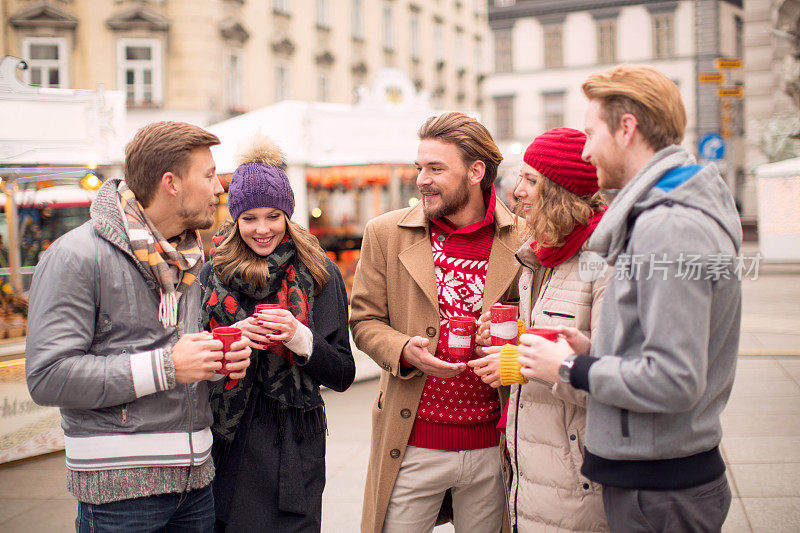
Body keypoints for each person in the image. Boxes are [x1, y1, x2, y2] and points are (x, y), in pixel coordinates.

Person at [517, 64, 741, 532]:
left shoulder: (668, 224)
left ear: (626, 128)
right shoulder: (666, 210)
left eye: (590, 132)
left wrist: (569, 367)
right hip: (660, 476)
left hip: (659, 488)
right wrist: (595, 354)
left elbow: (676, 379)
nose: (585, 149)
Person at [25, 121, 252, 532]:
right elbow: (47, 377)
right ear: (171, 183)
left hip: (197, 480)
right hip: (119, 495)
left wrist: (218, 360)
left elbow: (176, 354)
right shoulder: (74, 256)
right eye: (208, 174)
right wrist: (167, 366)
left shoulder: (189, 258)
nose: (220, 187)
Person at [350, 111, 523, 532]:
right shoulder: (385, 233)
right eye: (418, 167)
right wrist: (402, 350)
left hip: (493, 446)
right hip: (412, 443)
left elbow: (541, 323)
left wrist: (512, 338)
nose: (421, 179)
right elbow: (364, 320)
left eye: (436, 168)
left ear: (476, 172)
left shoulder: (525, 240)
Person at [199, 136, 355, 532]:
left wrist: (299, 337)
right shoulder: (211, 274)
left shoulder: (320, 273)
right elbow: (189, 360)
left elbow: (342, 374)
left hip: (293, 441)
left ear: (288, 214)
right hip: (228, 439)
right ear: (234, 218)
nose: (262, 229)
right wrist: (233, 338)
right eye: (249, 218)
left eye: (273, 215)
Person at [470, 127, 610, 531]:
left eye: (532, 180)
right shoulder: (542, 256)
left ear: (562, 191)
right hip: (535, 470)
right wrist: (513, 336)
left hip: (578, 480)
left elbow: (614, 377)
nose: (517, 191)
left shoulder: (601, 262)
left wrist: (521, 360)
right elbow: (559, 338)